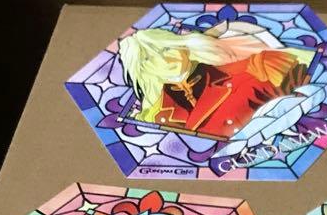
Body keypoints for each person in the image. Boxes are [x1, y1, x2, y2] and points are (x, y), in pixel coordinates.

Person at [118, 24, 310, 140]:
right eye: (148, 59)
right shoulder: (154, 117)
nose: (163, 60)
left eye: (166, 49)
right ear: (143, 70)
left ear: (183, 47)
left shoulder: (259, 68)